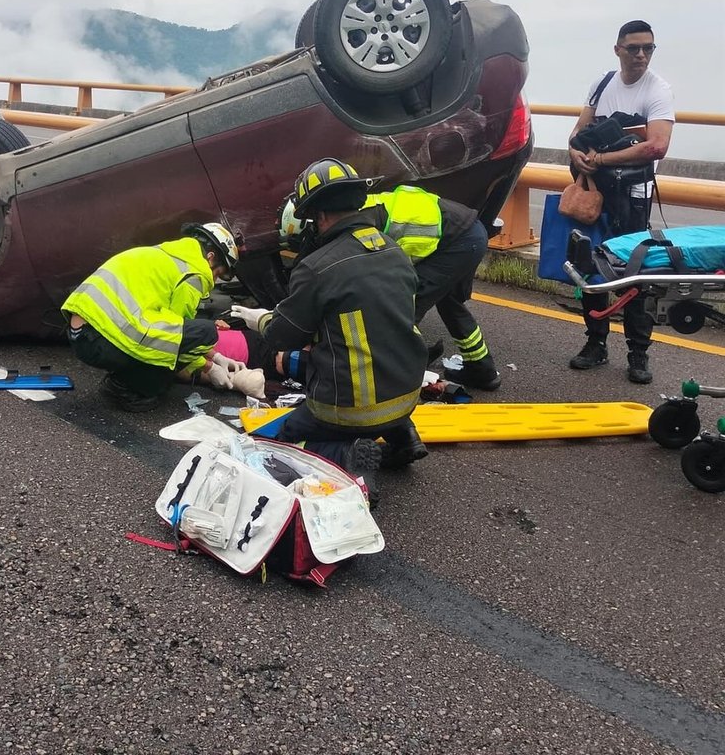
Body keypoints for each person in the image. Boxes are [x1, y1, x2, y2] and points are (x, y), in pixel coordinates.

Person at [231, 158, 429, 502]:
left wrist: (259, 318)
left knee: (280, 442)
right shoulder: (394, 251)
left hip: (348, 409)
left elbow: (282, 338)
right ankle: (404, 438)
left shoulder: (317, 267)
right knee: (377, 359)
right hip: (408, 395)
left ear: (319, 216)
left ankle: (347, 463)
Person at [281, 186, 500, 390]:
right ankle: (482, 370)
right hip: (466, 231)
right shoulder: (351, 209)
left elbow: (363, 282)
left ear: (316, 219)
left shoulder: (360, 226)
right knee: (449, 304)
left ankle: (395, 374)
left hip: (458, 239)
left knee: (404, 304)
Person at [566, 20, 675, 384]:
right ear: (618, 49)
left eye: (648, 48)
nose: (641, 55)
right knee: (589, 270)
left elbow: (657, 146)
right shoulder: (602, 83)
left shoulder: (658, 90)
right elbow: (579, 132)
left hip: (634, 198)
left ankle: (638, 354)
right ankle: (595, 345)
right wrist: (575, 152)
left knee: (634, 276)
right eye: (633, 48)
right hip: (596, 195)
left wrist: (599, 159)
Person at [62, 222, 240, 412]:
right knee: (205, 333)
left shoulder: (165, 254)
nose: (213, 281)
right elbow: (177, 336)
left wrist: (216, 356)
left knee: (178, 338)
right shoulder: (196, 272)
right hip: (100, 341)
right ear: (211, 258)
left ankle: (124, 376)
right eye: (218, 273)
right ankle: (125, 388)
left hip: (81, 333)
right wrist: (208, 368)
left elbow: (166, 324)